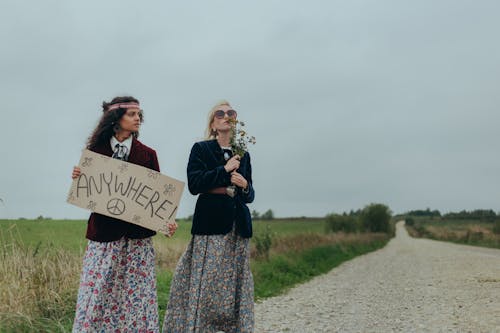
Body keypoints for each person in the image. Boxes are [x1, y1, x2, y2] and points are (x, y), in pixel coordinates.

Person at [71, 96, 177, 333]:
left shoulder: (148, 154)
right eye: (132, 114)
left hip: (136, 240)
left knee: (136, 296)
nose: (138, 118)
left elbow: (156, 197)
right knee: (98, 292)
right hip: (104, 237)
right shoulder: (95, 152)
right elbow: (89, 192)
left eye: (139, 114)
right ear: (115, 119)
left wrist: (166, 221)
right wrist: (79, 177)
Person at [163, 100, 255, 333]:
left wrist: (244, 185)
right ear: (213, 124)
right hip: (211, 224)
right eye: (220, 113)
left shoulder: (243, 154)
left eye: (231, 113)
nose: (227, 116)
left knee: (235, 284)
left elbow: (250, 195)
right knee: (208, 284)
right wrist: (223, 170)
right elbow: (195, 184)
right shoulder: (201, 149)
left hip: (238, 227)